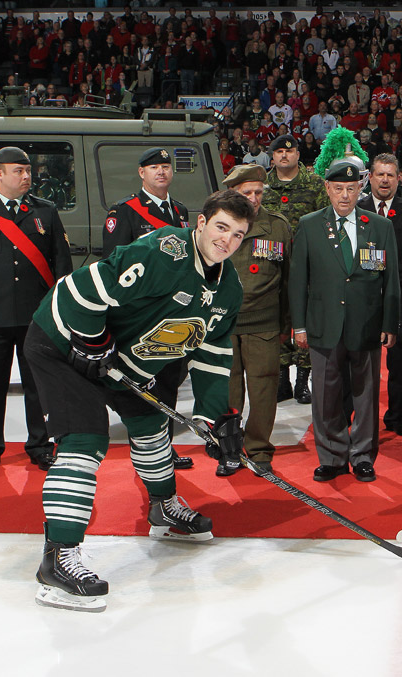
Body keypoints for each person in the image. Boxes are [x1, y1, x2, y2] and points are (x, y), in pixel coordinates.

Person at [24, 190, 253, 612]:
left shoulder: (229, 289)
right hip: (63, 342)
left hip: (120, 361)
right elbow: (82, 289)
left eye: (238, 234)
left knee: (151, 426)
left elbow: (213, 352)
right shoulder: (162, 251)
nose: (227, 240)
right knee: (85, 439)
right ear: (201, 223)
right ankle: (57, 558)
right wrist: (94, 342)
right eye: (221, 227)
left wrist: (213, 418)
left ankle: (164, 508)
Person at [0, 147, 72, 475]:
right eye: (18, 171)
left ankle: (40, 446)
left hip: (37, 316)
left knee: (39, 386)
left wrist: (62, 312)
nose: (26, 176)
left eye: (28, 170)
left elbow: (62, 266)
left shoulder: (45, 211)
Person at [289, 159, 400, 483]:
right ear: (327, 188)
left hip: (366, 325)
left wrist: (389, 324)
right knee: (325, 395)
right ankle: (332, 457)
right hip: (323, 324)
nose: (345, 196)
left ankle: (363, 456)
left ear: (360, 189)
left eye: (351, 189)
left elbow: (391, 281)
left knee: (366, 396)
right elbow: (298, 280)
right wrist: (299, 325)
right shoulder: (310, 225)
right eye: (338, 189)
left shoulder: (379, 226)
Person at [103, 147, 195, 470]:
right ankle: (147, 449)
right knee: (143, 385)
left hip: (174, 313)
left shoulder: (180, 211)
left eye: (166, 166)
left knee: (170, 382)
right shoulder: (124, 211)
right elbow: (114, 266)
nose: (161, 171)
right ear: (141, 173)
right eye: (154, 167)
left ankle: (164, 449)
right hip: (141, 316)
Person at [222, 164, 292, 477]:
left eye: (258, 192)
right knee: (226, 391)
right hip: (224, 325)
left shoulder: (277, 226)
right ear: (232, 193)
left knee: (264, 390)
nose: (253, 198)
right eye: (247, 192)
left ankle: (259, 450)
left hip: (264, 323)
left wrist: (288, 323)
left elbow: (288, 279)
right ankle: (228, 449)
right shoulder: (217, 224)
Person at [357, 154, 402, 438]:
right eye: (380, 174)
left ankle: (397, 417)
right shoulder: (355, 209)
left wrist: (388, 278)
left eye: (390, 175)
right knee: (359, 360)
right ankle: (359, 417)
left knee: (401, 362)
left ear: (399, 179)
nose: (385, 180)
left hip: (400, 297)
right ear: (370, 177)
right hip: (362, 297)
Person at [262, 134, 329, 405]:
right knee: (277, 321)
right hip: (272, 265)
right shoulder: (263, 185)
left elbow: (325, 221)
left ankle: (303, 381)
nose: (284, 155)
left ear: (298, 155)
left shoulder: (314, 184)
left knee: (305, 322)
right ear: (272, 156)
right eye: (279, 151)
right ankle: (282, 382)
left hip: (307, 264)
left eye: (289, 151)